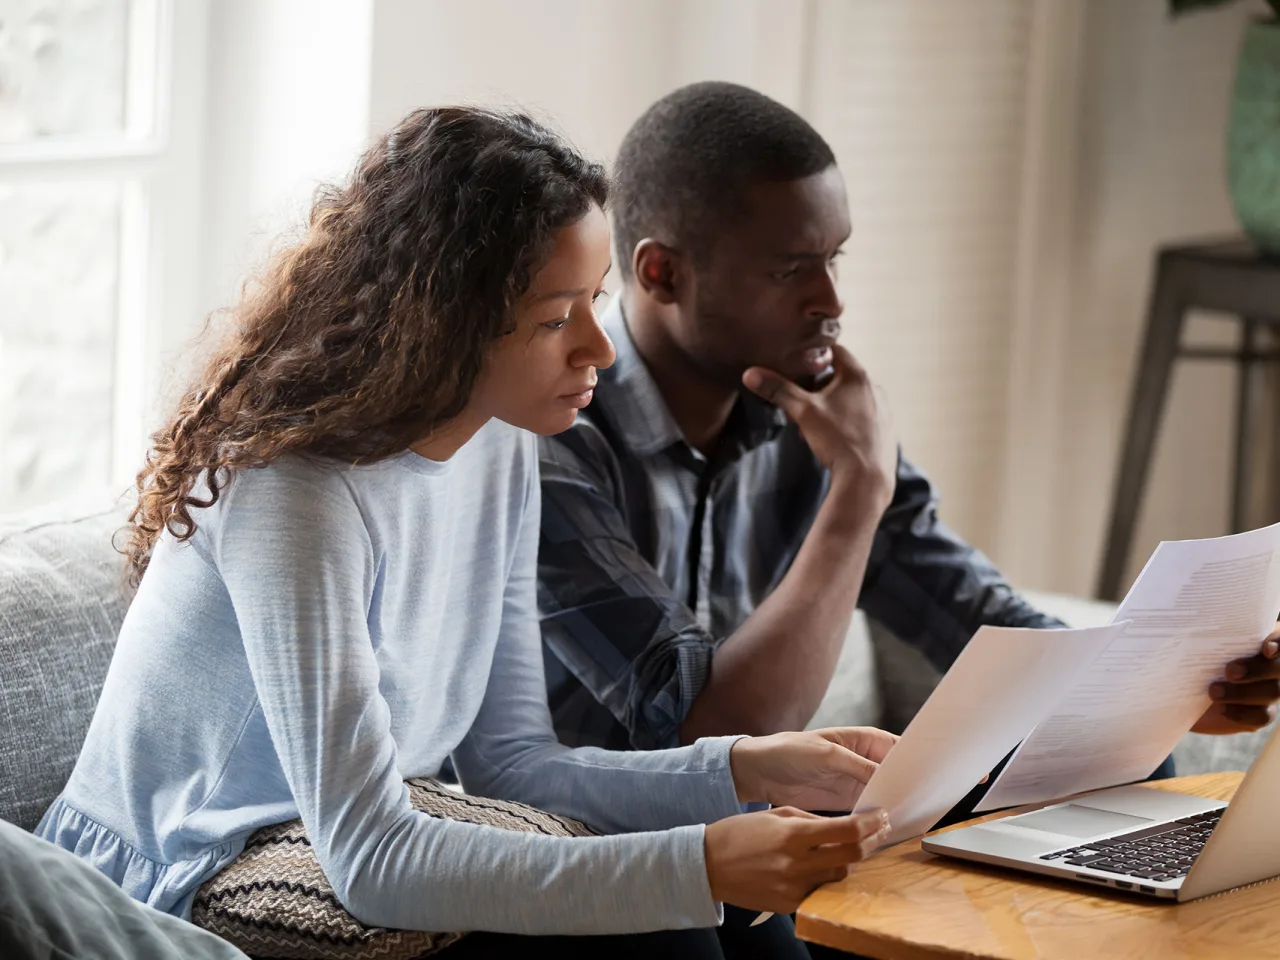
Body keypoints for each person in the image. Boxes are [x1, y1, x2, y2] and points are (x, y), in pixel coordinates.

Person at [28, 106, 898, 959]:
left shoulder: (505, 450)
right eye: (559, 317)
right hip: (189, 867)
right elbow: (369, 856)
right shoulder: (294, 492)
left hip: (356, 835)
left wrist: (748, 766)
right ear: (444, 320)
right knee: (671, 919)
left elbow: (513, 765)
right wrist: (699, 863)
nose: (598, 347)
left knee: (751, 916)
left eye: (595, 301)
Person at [537, 81, 1280, 772]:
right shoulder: (555, 440)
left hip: (761, 854)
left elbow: (978, 619)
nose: (831, 300)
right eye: (791, 269)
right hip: (595, 861)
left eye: (834, 259)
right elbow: (711, 734)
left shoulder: (810, 411)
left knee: (1135, 775)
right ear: (663, 274)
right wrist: (857, 488)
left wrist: (1173, 688)